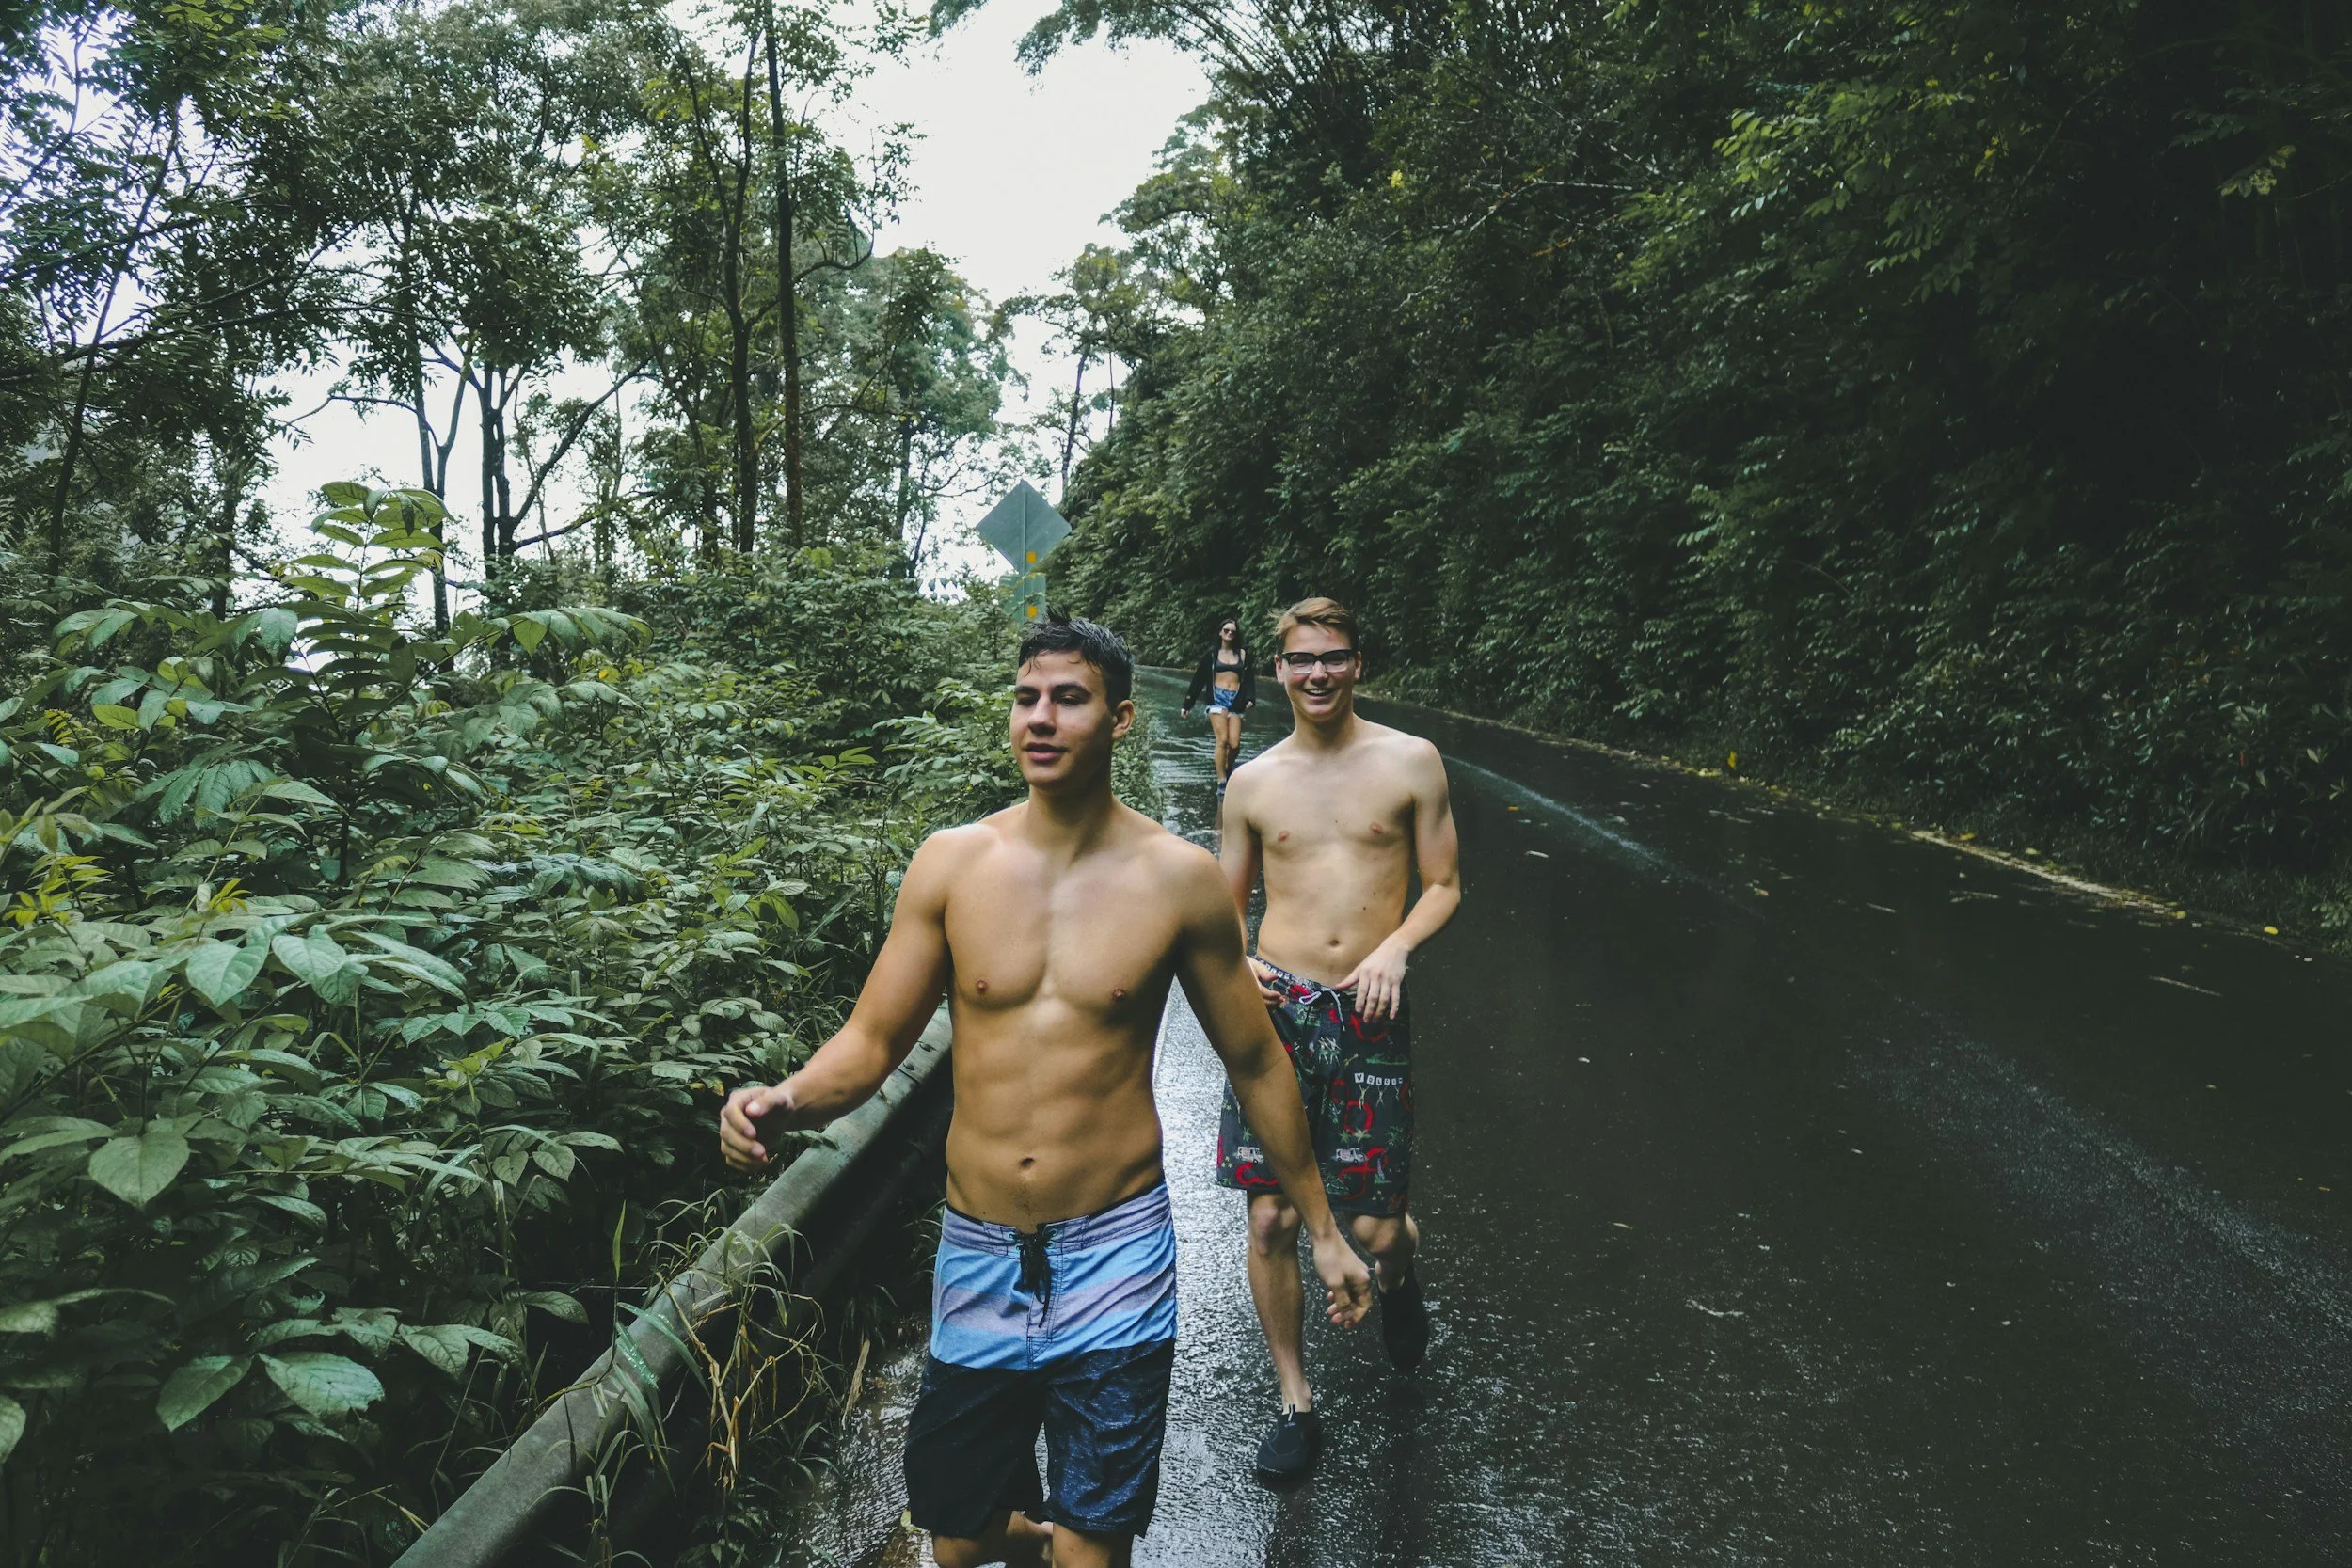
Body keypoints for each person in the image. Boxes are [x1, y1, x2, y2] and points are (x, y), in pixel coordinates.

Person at [719, 612, 1373, 1568]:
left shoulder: (1177, 878)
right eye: (1027, 697)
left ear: (1119, 720)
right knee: (956, 1539)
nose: (1040, 717)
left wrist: (1319, 1227)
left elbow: (1257, 1059)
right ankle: (1037, 1532)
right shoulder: (953, 862)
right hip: (979, 1245)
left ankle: (1075, 1536)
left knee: (1092, 1546)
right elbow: (870, 1040)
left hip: (1116, 1245)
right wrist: (784, 1099)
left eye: (1068, 698)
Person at [1213, 595, 1463, 1481]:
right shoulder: (1253, 782)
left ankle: (1400, 1282)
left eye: (1335, 656)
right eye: (1301, 658)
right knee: (1274, 1214)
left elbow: (1444, 884)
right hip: (1278, 1013)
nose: (1318, 671)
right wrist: (1237, 963)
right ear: (1276, 670)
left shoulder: (1410, 762)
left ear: (1358, 665)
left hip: (1371, 1011)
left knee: (1376, 1226)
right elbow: (1220, 912)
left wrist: (1396, 945)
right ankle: (1295, 1401)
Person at [1179, 615, 1256, 790]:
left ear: (1236, 634)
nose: (1229, 633)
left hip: (1235, 699)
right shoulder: (1212, 655)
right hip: (1217, 699)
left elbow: (1249, 679)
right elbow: (1198, 680)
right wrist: (1187, 705)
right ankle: (1221, 781)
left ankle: (1228, 767)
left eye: (1233, 631)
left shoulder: (1243, 655)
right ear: (1221, 633)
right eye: (1226, 630)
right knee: (1222, 740)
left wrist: (1250, 697)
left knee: (1235, 744)